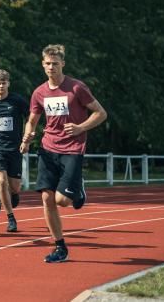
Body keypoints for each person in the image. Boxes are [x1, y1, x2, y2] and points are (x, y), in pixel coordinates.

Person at [20, 44, 107, 263]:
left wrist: (80, 127)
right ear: (43, 64)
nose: (51, 67)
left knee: (62, 201)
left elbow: (101, 113)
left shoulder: (76, 88)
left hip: (73, 148)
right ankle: (60, 247)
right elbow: (32, 120)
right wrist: (27, 136)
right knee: (47, 198)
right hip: (48, 147)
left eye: (55, 64)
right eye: (47, 63)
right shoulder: (39, 92)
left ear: (63, 64)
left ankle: (78, 190)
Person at [0, 69, 29, 232]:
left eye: (4, 83)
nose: (1, 86)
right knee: (1, 181)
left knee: (15, 187)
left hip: (15, 148)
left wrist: (27, 137)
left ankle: (11, 194)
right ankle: (11, 218)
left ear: (8, 84)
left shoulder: (17, 101)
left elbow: (31, 117)